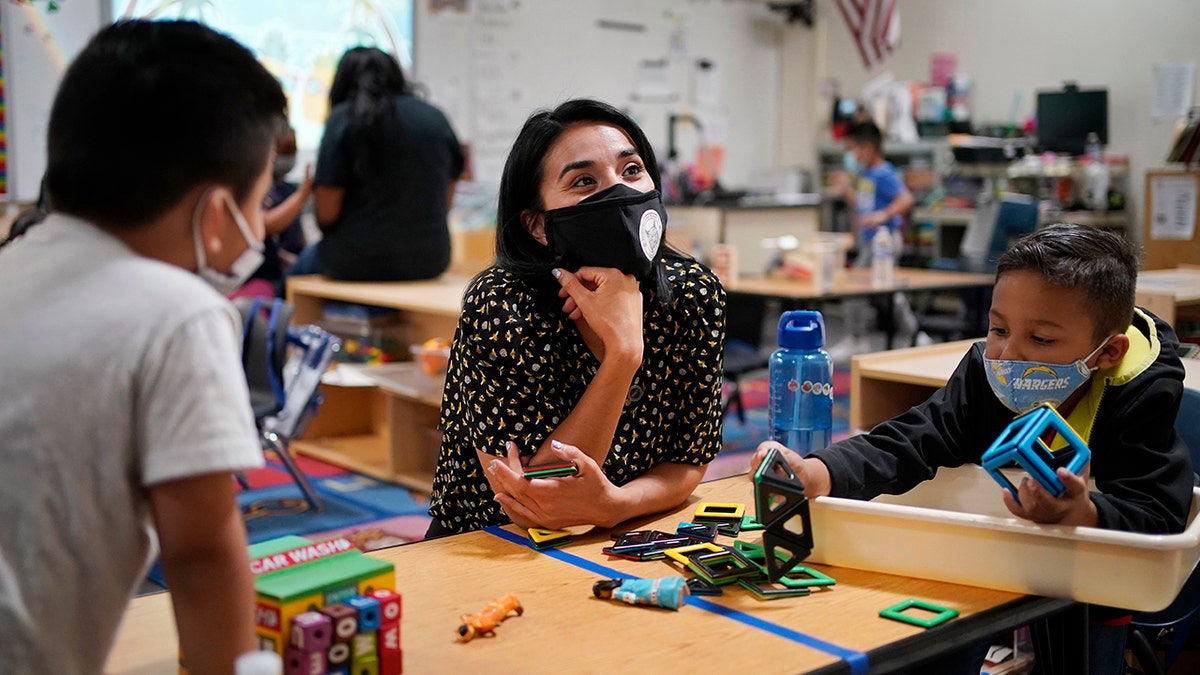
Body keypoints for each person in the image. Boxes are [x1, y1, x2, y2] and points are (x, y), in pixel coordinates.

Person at [751, 224, 1194, 674]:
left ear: (1108, 352)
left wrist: (1083, 513)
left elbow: (1157, 513)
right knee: (937, 638)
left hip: (1095, 579)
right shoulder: (986, 373)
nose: (1008, 354)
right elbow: (914, 437)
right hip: (990, 569)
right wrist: (818, 471)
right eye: (998, 327)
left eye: (1040, 339)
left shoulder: (1141, 394)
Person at [0, 20, 286, 673]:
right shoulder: (181, 313)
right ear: (217, 215)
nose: (258, 226)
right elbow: (201, 549)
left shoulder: (11, 263)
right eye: (260, 198)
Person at [425, 99, 726, 536]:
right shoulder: (500, 306)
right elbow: (532, 499)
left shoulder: (693, 293)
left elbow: (688, 461)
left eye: (631, 170)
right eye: (585, 181)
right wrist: (623, 354)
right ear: (538, 225)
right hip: (492, 543)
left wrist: (613, 506)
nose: (620, 192)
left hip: (623, 533)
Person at [288, 46, 464, 281]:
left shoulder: (342, 118)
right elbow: (446, 199)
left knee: (289, 277)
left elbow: (326, 213)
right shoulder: (434, 117)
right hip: (432, 260)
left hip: (354, 260)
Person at [826, 118, 918, 361]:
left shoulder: (884, 173)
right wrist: (848, 194)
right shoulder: (866, 175)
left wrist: (883, 215)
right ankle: (915, 333)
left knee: (856, 284)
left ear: (867, 147)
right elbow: (863, 207)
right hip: (870, 240)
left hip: (884, 240)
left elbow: (906, 199)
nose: (851, 155)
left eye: (852, 149)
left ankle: (857, 339)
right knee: (886, 291)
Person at [236, 126, 313, 299]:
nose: (287, 157)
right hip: (260, 278)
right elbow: (266, 224)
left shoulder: (288, 190)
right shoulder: (254, 187)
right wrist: (303, 194)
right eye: (283, 151)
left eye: (291, 151)